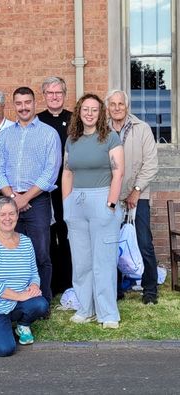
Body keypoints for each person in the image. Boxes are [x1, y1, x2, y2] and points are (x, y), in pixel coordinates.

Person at [0, 86, 61, 303]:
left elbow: (51, 171)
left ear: (34, 103)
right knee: (12, 252)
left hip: (37, 201)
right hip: (9, 201)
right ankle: (16, 297)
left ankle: (42, 300)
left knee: (41, 253)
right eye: (19, 103)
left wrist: (26, 198)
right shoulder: (4, 136)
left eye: (27, 102)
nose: (23, 107)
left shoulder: (49, 134)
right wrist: (13, 198)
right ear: (14, 106)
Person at [62, 93, 124, 329]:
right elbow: (67, 172)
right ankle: (85, 308)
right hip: (77, 202)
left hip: (102, 199)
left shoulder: (110, 137)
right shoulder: (72, 140)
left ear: (100, 113)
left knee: (103, 261)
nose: (89, 113)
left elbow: (118, 172)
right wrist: (67, 205)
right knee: (81, 261)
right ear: (79, 112)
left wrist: (110, 203)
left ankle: (108, 314)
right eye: (85, 109)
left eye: (94, 110)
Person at [0, 196, 50, 357]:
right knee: (4, 349)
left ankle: (22, 324)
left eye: (12, 214)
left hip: (16, 304)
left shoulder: (26, 242)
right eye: (3, 214)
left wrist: (35, 286)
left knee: (41, 305)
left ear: (17, 215)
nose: (7, 218)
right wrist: (19, 296)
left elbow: (34, 273)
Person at [106, 89, 158, 304]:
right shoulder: (102, 130)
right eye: (113, 104)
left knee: (144, 242)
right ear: (108, 108)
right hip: (111, 197)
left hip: (139, 195)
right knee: (111, 243)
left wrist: (136, 191)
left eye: (121, 104)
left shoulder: (142, 128)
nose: (117, 108)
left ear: (127, 107)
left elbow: (151, 164)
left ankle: (150, 290)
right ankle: (115, 288)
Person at [37, 76, 73, 295]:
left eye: (58, 92)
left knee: (67, 231)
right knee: (48, 235)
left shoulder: (74, 119)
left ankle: (69, 281)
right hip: (44, 187)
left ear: (64, 94)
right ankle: (52, 283)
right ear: (44, 96)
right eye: (49, 93)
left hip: (69, 185)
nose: (54, 96)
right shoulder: (37, 120)